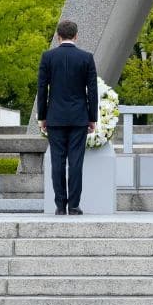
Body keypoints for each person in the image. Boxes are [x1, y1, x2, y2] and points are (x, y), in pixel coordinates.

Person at [37, 19, 98, 215]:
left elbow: (42, 89)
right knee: (76, 162)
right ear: (76, 35)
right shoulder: (86, 58)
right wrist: (92, 117)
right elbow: (92, 91)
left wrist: (42, 116)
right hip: (79, 116)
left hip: (55, 117)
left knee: (57, 161)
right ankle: (74, 205)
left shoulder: (48, 57)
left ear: (58, 36)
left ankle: (59, 205)